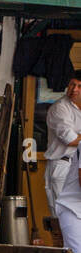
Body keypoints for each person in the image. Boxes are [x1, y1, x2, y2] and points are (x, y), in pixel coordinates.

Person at [43, 73, 81, 211]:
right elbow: (70, 140)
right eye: (72, 84)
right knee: (64, 216)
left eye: (80, 86)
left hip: (78, 167)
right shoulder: (60, 108)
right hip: (63, 165)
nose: (74, 89)